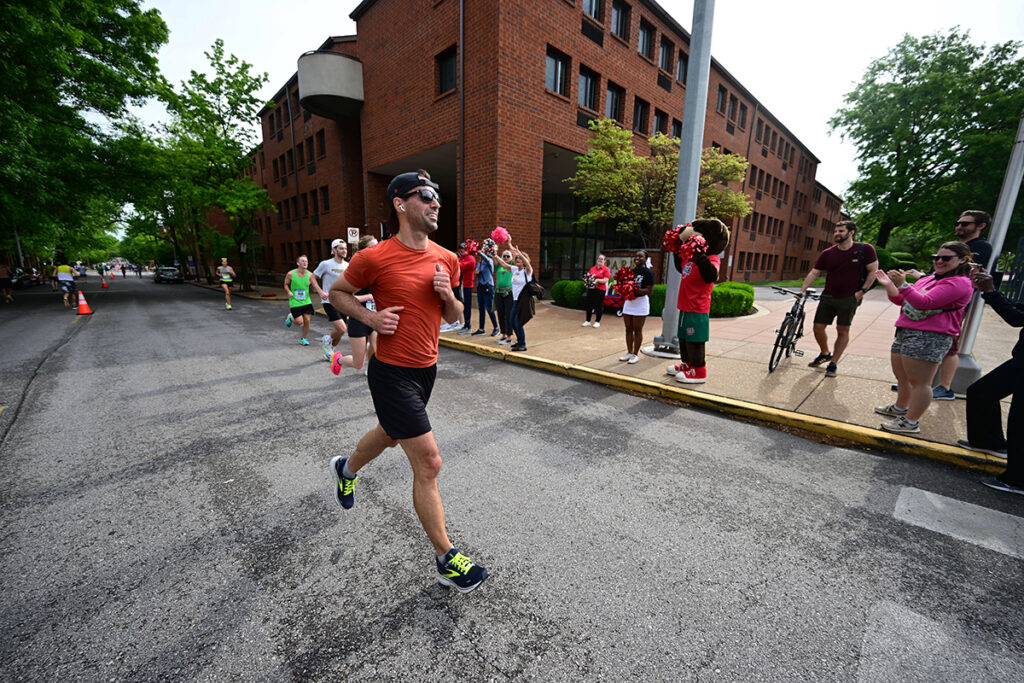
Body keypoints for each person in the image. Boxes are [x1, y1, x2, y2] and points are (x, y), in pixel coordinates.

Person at [327, 171, 488, 593]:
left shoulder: (447, 258)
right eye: (426, 197)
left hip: (426, 369)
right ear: (400, 204)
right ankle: (446, 558)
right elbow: (338, 294)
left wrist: (448, 296)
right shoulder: (375, 257)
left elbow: (454, 317)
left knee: (391, 434)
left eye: (437, 198)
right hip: (392, 371)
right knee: (429, 462)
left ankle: (345, 468)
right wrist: (370, 318)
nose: (436, 204)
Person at [872, 241, 974, 434]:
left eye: (946, 258)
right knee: (903, 377)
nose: (939, 261)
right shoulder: (930, 279)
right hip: (906, 330)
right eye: (936, 257)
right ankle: (900, 408)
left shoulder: (959, 283)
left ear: (962, 260)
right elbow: (902, 300)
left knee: (920, 382)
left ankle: (910, 422)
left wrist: (903, 284)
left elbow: (924, 303)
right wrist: (890, 285)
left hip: (931, 336)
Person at [959, 268, 1021, 495]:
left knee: (1019, 422)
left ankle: (1017, 480)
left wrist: (991, 292)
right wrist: (992, 292)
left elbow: (1016, 319)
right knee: (980, 392)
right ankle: (990, 442)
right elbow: (1018, 309)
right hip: (1019, 361)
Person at [927, 210, 996, 401]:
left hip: (953, 304)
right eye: (958, 223)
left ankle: (945, 387)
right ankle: (923, 382)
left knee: (950, 345)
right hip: (937, 299)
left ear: (980, 226)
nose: (959, 226)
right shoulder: (959, 246)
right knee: (930, 341)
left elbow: (968, 275)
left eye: (965, 224)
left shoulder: (980, 247)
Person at [798, 220, 879, 377]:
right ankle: (825, 352)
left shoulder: (865, 249)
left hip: (849, 297)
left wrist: (861, 292)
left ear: (851, 232)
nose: (837, 233)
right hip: (828, 295)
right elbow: (814, 272)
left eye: (841, 231)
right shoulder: (828, 253)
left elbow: (873, 271)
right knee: (818, 327)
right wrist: (802, 291)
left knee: (842, 329)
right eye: (836, 231)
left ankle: (833, 363)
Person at [330, 235, 379, 375]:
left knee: (379, 351)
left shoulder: (379, 268)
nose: (377, 249)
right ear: (364, 251)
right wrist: (367, 297)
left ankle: (373, 371)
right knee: (358, 363)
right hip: (358, 319)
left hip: (374, 317)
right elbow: (342, 296)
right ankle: (338, 360)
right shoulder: (355, 270)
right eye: (373, 247)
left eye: (378, 246)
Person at [313, 239, 351, 361]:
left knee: (341, 331)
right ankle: (327, 339)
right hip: (329, 301)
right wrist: (320, 291)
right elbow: (313, 277)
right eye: (341, 248)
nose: (344, 251)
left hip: (343, 302)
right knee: (342, 328)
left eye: (345, 248)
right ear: (334, 250)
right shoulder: (325, 264)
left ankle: (329, 350)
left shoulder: (348, 265)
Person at [493, 246, 535, 352]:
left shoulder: (527, 271)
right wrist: (495, 255)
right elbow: (503, 264)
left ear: (524, 261)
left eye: (520, 259)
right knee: (512, 321)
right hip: (515, 300)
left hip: (523, 301)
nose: (517, 260)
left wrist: (519, 253)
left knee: (518, 322)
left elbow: (528, 263)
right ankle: (519, 341)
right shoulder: (515, 270)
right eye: (516, 258)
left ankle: (523, 344)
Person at [619, 250, 655, 364]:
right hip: (629, 302)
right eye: (636, 256)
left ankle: (635, 354)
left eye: (640, 256)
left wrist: (635, 289)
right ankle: (629, 352)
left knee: (637, 330)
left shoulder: (648, 273)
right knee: (628, 328)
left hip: (640, 303)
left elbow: (649, 291)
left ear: (645, 259)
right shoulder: (630, 271)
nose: (637, 258)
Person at [284, 255, 316, 345]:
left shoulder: (310, 275)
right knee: (299, 322)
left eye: (306, 261)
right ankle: (291, 318)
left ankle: (304, 338)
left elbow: (315, 285)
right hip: (295, 301)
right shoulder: (290, 274)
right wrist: (288, 291)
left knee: (307, 320)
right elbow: (286, 284)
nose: (305, 263)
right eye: (302, 261)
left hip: (306, 301)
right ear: (298, 263)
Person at [471, 249, 498, 336]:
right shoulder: (479, 263)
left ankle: (496, 328)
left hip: (488, 286)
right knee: (481, 308)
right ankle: (481, 329)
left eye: (484, 252)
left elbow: (485, 259)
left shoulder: (489, 261)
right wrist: (476, 272)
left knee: (489, 308)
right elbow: (476, 271)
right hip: (480, 286)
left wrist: (479, 252)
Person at [582, 254, 611, 328]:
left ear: (604, 261)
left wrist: (597, 280)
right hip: (591, 289)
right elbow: (588, 276)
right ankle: (587, 321)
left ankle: (597, 321)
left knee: (598, 306)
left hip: (600, 290)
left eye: (602, 259)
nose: (600, 260)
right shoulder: (593, 268)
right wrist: (587, 280)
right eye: (599, 258)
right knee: (589, 305)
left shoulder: (606, 269)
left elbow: (605, 280)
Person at [494, 249, 515, 345]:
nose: (506, 258)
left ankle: (509, 336)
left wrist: (510, 244)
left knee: (508, 314)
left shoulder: (512, 266)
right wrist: (493, 248)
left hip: (509, 292)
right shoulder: (499, 265)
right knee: (500, 314)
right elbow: (494, 258)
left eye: (508, 256)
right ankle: (503, 335)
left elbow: (515, 256)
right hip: (498, 292)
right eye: (504, 256)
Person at [455, 241, 475, 333]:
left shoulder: (470, 258)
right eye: (460, 248)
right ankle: (466, 325)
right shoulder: (463, 257)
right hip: (463, 284)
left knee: (467, 305)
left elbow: (459, 266)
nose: (462, 250)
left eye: (464, 248)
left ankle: (468, 325)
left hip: (468, 285)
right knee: (464, 304)